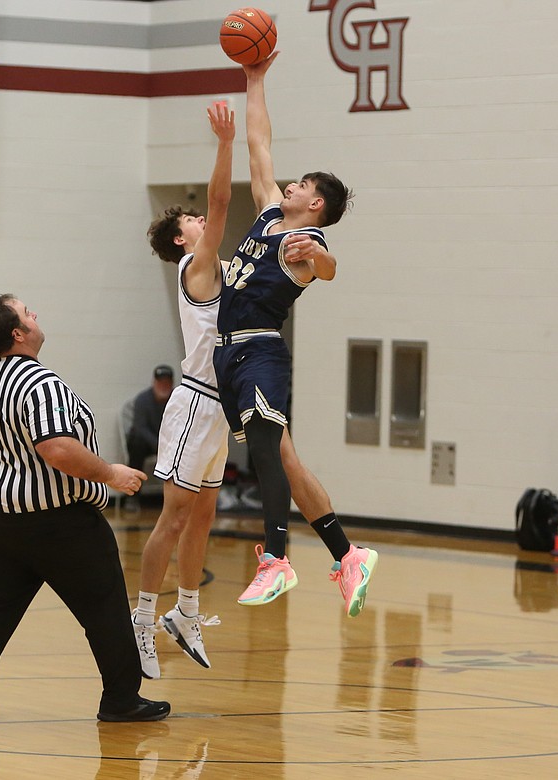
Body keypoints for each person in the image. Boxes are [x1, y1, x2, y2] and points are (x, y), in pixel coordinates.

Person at [0, 294, 168, 722]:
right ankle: (121, 700)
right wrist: (111, 474)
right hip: (58, 523)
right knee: (105, 604)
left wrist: (2, 454)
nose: (35, 315)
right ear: (18, 333)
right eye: (27, 312)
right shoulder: (41, 384)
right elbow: (57, 448)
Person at [211, 51, 377, 612]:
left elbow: (328, 269)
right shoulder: (266, 217)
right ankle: (347, 554)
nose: (289, 183)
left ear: (317, 203)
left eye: (302, 183)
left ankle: (275, 559)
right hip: (227, 356)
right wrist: (253, 80)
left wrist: (318, 256)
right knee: (284, 458)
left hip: (260, 349)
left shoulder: (306, 244)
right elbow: (260, 145)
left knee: (262, 447)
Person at [133, 101, 236, 678]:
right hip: (196, 401)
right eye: (191, 222)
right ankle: (143, 620)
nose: (202, 220)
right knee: (173, 518)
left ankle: (186, 612)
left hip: (222, 409)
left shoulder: (212, 266)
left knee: (203, 518)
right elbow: (221, 201)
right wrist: (225, 143)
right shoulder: (194, 267)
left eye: (199, 219)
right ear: (180, 240)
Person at [126, 365, 174, 473]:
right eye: (160, 382)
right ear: (154, 382)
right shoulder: (142, 400)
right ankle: (134, 486)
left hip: (170, 442)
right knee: (136, 442)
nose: (163, 386)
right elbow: (141, 428)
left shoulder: (177, 400)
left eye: (166, 383)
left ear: (172, 383)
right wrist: (159, 445)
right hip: (148, 443)